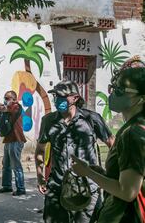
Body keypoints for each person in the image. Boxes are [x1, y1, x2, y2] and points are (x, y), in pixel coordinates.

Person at [72, 58, 145, 223]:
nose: (112, 94)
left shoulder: (132, 133)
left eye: (120, 90)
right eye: (113, 88)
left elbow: (128, 192)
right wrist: (104, 174)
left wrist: (88, 173)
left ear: (140, 99)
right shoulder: (134, 127)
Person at [34, 80, 114, 223]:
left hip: (87, 188)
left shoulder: (91, 119)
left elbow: (113, 145)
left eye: (62, 96)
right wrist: (40, 177)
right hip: (57, 186)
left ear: (75, 98)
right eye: (55, 96)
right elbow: (40, 150)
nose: (57, 99)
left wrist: (111, 177)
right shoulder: (48, 121)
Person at [0, 90, 27, 196]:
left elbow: (6, 109)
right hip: (8, 140)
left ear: (15, 99)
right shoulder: (6, 109)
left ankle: (21, 188)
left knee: (16, 165)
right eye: (5, 98)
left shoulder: (16, 106)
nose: (5, 100)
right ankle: (7, 186)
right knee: (6, 164)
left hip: (16, 139)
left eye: (8, 98)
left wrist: (1, 109)